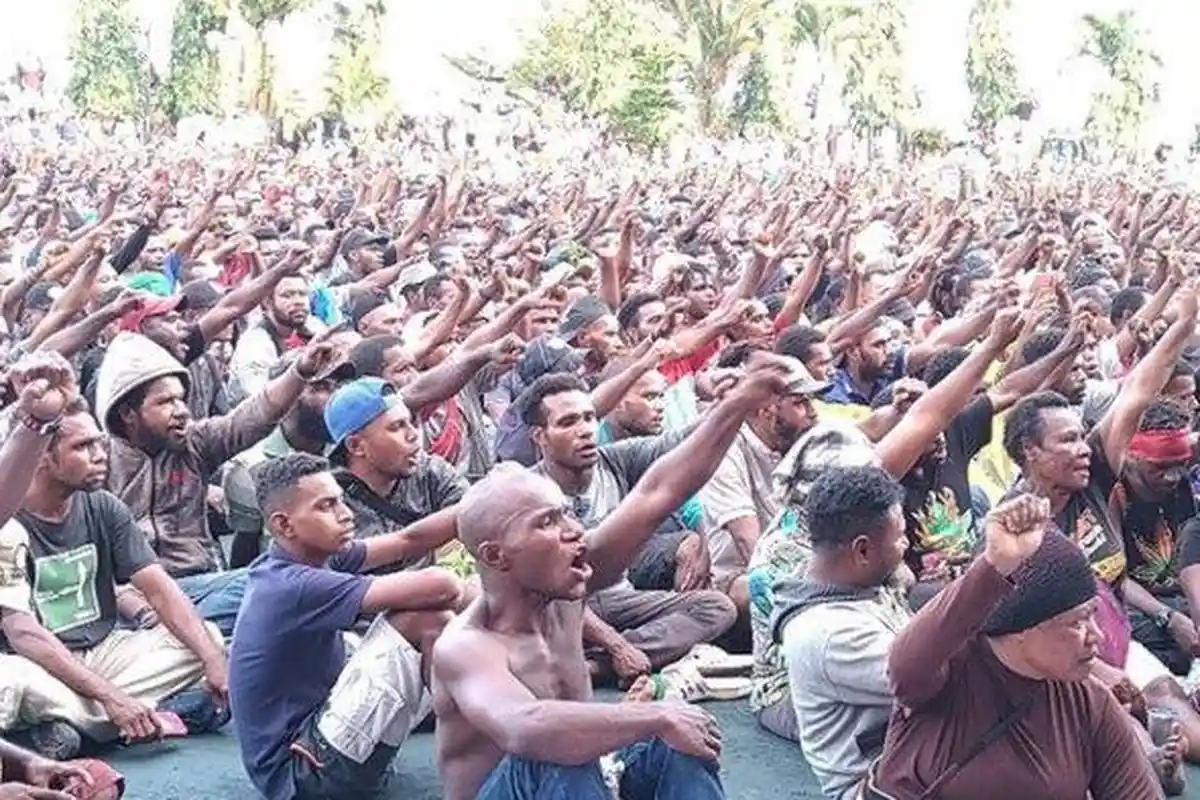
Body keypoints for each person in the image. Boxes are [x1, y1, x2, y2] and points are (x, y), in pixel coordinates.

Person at [431, 358, 792, 799]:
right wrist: (653, 716)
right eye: (547, 523)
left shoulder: (565, 586)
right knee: (563, 753)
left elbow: (660, 492)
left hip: (575, 779)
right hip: (517, 785)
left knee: (672, 745)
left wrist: (738, 404)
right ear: (495, 556)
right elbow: (525, 727)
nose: (573, 531)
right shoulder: (465, 645)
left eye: (566, 513)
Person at [0, 352, 227, 760]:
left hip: (103, 653)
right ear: (44, 458)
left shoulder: (103, 506)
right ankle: (127, 719)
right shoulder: (9, 524)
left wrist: (215, 662)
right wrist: (113, 697)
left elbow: (158, 589)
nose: (101, 455)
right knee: (10, 682)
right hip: (37, 664)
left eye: (100, 444)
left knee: (204, 638)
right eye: (84, 446)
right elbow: (24, 635)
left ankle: (76, 729)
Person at [868, 494, 1159, 799]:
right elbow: (903, 665)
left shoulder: (1089, 702)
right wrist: (994, 564)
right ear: (1022, 629)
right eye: (1077, 622)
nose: (1096, 636)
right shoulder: (948, 675)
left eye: (1093, 616)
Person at [228, 452, 465, 800]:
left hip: (313, 746)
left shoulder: (312, 556)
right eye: (326, 506)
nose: (346, 514)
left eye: (341, 501)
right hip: (305, 775)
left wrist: (487, 498)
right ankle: (471, 756)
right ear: (283, 525)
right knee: (425, 621)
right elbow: (443, 585)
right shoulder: (292, 586)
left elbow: (409, 540)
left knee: (383, 632)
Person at [93, 331, 339, 637]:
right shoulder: (96, 462)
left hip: (204, 585)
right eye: (166, 402)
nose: (182, 411)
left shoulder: (195, 443)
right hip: (135, 603)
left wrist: (300, 372)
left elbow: (254, 416)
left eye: (181, 399)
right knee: (269, 589)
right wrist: (143, 611)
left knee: (285, 581)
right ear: (128, 413)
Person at [772, 466, 910, 799]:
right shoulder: (830, 634)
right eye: (901, 536)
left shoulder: (848, 583)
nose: (906, 544)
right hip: (877, 786)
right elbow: (941, 679)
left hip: (905, 756)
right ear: (862, 550)